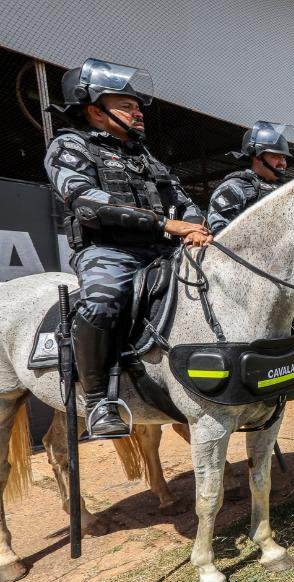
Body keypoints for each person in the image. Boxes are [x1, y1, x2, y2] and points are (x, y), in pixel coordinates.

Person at [46, 59, 210, 438]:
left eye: (137, 107)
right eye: (126, 106)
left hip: (162, 251)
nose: (138, 113)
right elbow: (86, 201)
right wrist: (166, 223)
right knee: (103, 301)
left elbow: (182, 200)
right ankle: (99, 402)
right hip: (108, 251)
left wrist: (197, 226)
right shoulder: (71, 145)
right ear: (94, 111)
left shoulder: (146, 157)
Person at [207, 121, 294, 233]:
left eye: (283, 157)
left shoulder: (286, 189)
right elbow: (220, 235)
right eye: (276, 156)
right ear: (258, 157)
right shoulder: (234, 188)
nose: (283, 163)